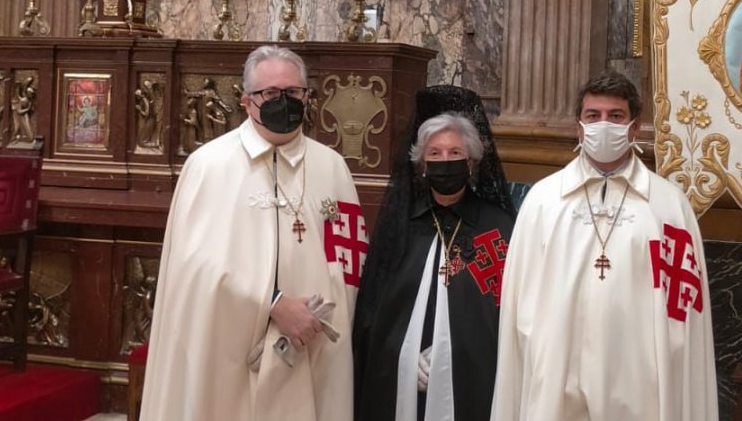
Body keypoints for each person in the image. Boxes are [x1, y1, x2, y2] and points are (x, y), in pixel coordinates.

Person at [141, 45, 367, 421]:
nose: (284, 101)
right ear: (246, 101)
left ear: (306, 96)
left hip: (313, 341)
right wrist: (273, 303)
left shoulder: (332, 167)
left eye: (294, 93)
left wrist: (317, 315)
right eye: (271, 94)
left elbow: (350, 259)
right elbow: (191, 266)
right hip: (228, 349)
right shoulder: (209, 166)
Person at [491, 70, 717, 421]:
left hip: (642, 382)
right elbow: (520, 300)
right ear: (578, 127)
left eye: (616, 116)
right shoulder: (543, 201)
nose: (603, 125)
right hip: (556, 376)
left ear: (635, 126)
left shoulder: (668, 206)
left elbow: (683, 310)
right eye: (592, 116)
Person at [354, 86, 515, 421]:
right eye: (435, 153)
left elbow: (504, 319)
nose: (445, 161)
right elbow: (374, 319)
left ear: (471, 161)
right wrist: (403, 355)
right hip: (402, 382)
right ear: (421, 163)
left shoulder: (498, 229)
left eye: (455, 152)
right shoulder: (399, 227)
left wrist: (455, 359)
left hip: (474, 384)